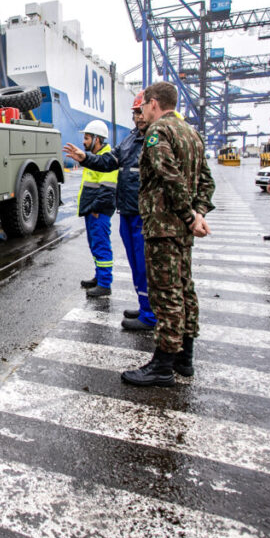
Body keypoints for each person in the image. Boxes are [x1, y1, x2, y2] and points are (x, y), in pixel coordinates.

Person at [122, 82, 215, 387]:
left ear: (153, 103)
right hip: (182, 230)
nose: (143, 112)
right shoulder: (192, 134)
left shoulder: (157, 132)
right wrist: (197, 214)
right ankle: (184, 358)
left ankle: (162, 365)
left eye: (144, 106)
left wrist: (189, 216)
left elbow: (168, 174)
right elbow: (206, 181)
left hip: (163, 226)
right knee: (185, 289)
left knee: (166, 295)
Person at [64, 93, 156, 329]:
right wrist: (84, 158)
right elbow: (109, 164)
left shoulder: (156, 138)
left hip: (136, 212)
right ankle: (145, 307)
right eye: (134, 113)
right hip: (127, 210)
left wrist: (98, 208)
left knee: (143, 263)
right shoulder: (130, 140)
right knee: (136, 263)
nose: (136, 117)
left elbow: (107, 186)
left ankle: (149, 313)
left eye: (139, 111)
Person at [63, 120, 118, 297]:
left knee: (101, 246)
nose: (84, 142)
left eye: (87, 138)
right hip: (93, 211)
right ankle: (99, 276)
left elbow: (108, 188)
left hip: (98, 212)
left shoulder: (107, 158)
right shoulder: (95, 159)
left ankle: (104, 284)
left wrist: (95, 208)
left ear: (97, 139)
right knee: (95, 245)